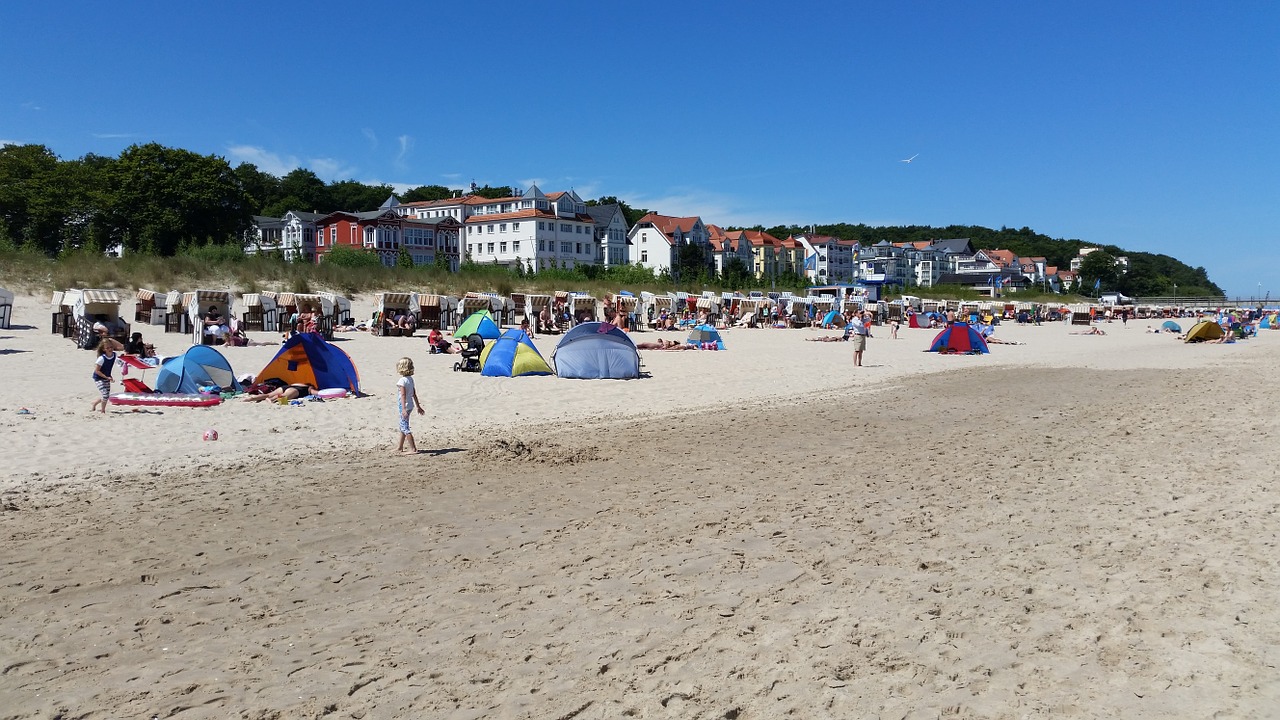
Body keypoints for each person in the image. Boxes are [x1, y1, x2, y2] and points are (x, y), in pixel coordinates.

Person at [396, 357, 425, 455]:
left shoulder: (402, 381)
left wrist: (403, 408)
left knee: (405, 427)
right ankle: (400, 447)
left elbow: (403, 395)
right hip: (410, 405)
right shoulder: (410, 379)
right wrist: (418, 406)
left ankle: (413, 449)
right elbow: (414, 393)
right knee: (402, 426)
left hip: (404, 406)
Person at [90, 336, 122, 413]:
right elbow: (97, 371)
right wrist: (107, 377)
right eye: (108, 348)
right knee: (105, 395)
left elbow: (121, 347)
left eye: (111, 347)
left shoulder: (114, 355)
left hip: (107, 377)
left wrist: (111, 339)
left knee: (106, 395)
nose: (110, 349)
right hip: (98, 378)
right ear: (104, 349)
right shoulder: (101, 358)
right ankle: (103, 411)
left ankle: (95, 403)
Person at [243, 382, 315, 403]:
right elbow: (316, 393)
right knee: (282, 398)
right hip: (295, 391)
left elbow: (292, 384)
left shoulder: (300, 383)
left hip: (285, 387)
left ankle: (250, 398)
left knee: (268, 394)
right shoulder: (309, 389)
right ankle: (271, 400)